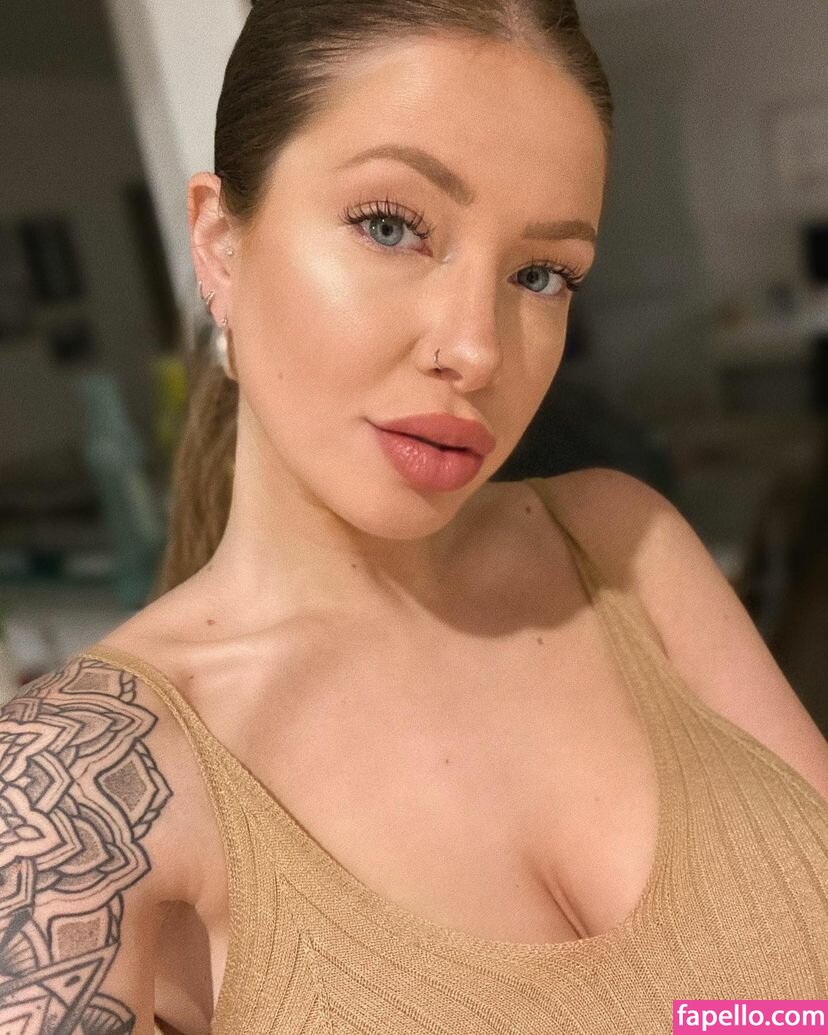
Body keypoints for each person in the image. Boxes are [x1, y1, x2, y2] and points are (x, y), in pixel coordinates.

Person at [3, 2, 827, 1033]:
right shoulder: (79, 784)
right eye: (391, 226)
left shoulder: (624, 545)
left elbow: (767, 1010)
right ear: (218, 243)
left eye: (541, 274)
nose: (477, 349)